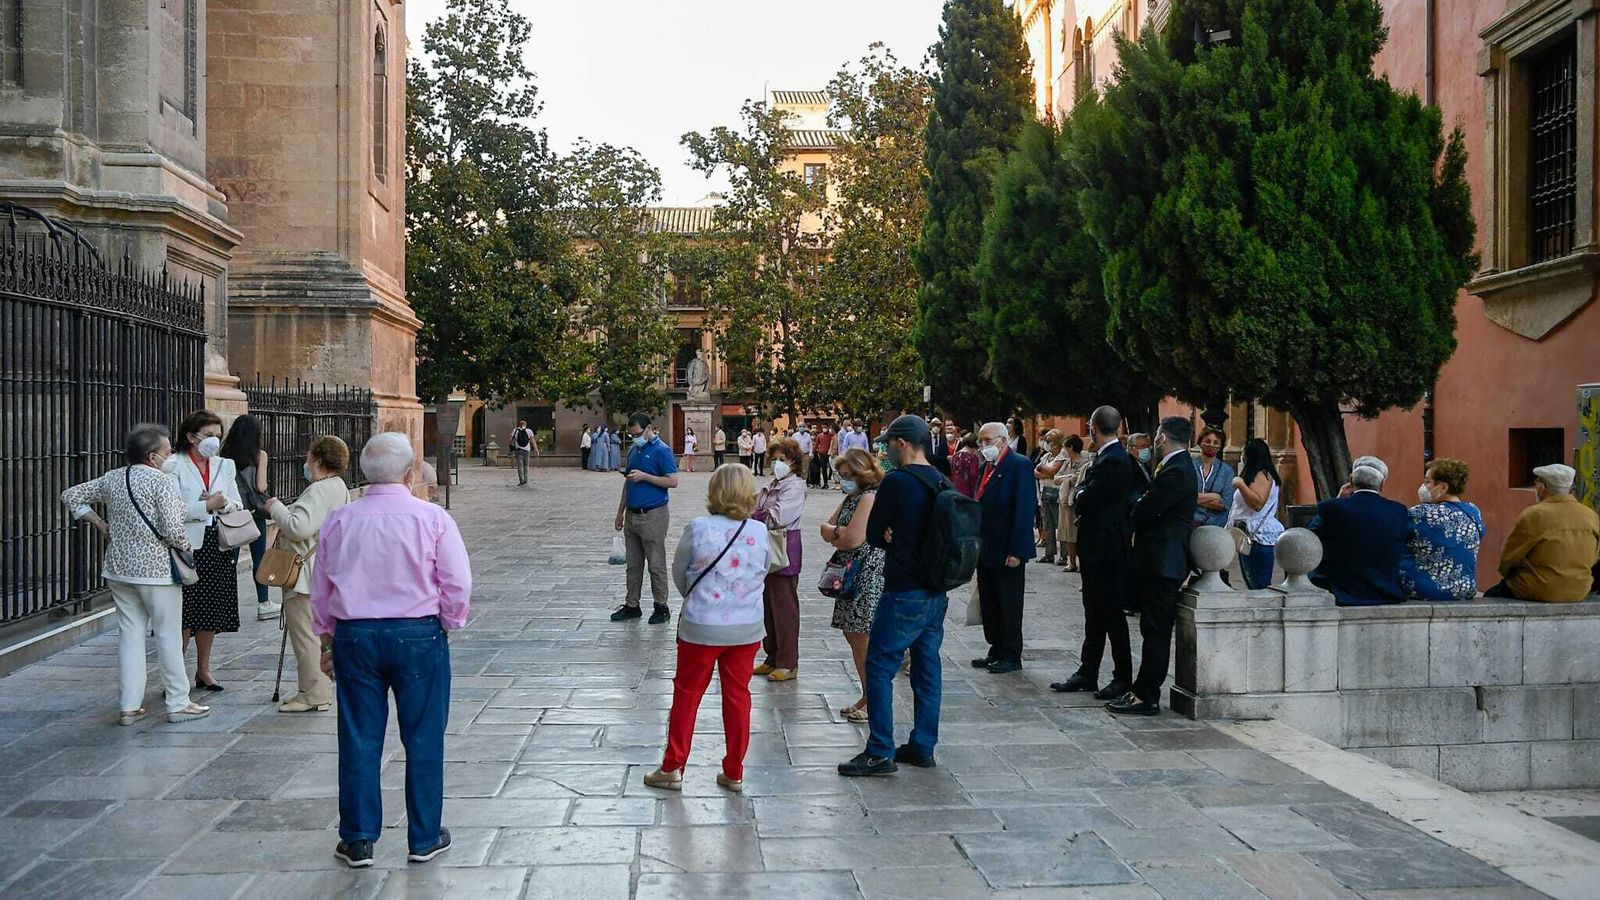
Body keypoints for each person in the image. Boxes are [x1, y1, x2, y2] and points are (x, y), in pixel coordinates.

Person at [313, 433, 470, 869]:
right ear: (409, 472)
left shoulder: (340, 521)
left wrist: (327, 640)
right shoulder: (432, 518)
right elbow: (457, 581)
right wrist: (449, 622)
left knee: (359, 736)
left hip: (356, 634)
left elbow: (321, 588)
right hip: (417, 632)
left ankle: (358, 837)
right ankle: (424, 836)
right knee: (424, 735)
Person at [61, 424, 211, 725]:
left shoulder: (113, 477)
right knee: (168, 635)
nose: (171, 456)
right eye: (167, 451)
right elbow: (172, 528)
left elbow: (71, 495)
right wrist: (186, 546)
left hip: (119, 569)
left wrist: (100, 524)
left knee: (129, 635)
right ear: (153, 457)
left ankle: (129, 706)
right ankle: (178, 702)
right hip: (157, 571)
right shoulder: (162, 481)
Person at [644, 463, 769, 793]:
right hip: (745, 628)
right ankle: (734, 771)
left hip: (701, 626)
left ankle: (673, 766)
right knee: (738, 697)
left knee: (687, 695)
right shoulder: (759, 531)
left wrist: (699, 597)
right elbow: (764, 570)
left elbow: (679, 571)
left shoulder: (698, 528)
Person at [839, 415, 948, 777]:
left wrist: (890, 532)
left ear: (902, 444)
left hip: (903, 589)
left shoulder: (898, 482)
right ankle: (923, 745)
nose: (885, 451)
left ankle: (879, 750)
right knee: (927, 668)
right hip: (936, 591)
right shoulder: (941, 480)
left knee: (879, 665)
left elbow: (873, 534)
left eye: (888, 444)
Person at [1108, 417, 1199, 716]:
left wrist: (1138, 502)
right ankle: (1141, 689)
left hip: (1163, 562)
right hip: (1158, 560)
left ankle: (1146, 695)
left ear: (1162, 438)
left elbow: (1146, 508)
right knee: (1151, 629)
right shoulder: (1175, 466)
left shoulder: (1177, 470)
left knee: (1156, 631)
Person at [261, 436, 352, 712]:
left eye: (310, 456)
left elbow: (298, 527)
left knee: (305, 637)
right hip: (321, 569)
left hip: (304, 575)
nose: (306, 462)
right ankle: (312, 689)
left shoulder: (319, 490)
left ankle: (314, 693)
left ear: (318, 460)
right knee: (314, 635)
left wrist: (275, 507)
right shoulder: (338, 487)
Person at [1052, 406, 1135, 700]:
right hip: (1096, 546)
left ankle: (1122, 676)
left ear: (1093, 428)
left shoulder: (1114, 460)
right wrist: (1083, 492)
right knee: (1094, 611)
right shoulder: (1105, 457)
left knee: (1111, 613)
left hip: (1106, 548)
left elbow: (1088, 497)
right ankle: (1088, 670)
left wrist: (1081, 493)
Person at [165, 409, 243, 692]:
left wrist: (223, 503)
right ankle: (176, 674)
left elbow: (237, 503)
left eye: (218, 436)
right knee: (184, 611)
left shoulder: (225, 465)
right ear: (191, 436)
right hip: (185, 544)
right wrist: (204, 507)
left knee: (210, 610)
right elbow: (170, 510)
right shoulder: (173, 465)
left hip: (216, 543)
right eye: (208, 435)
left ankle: (204, 669)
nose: (214, 441)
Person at [821, 449, 886, 723]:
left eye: (848, 475)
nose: (844, 480)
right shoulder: (853, 497)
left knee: (863, 636)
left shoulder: (869, 497)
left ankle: (875, 699)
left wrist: (837, 533)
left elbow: (852, 539)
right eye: (841, 475)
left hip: (866, 572)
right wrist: (839, 532)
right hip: (850, 572)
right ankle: (867, 693)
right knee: (853, 635)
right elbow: (825, 527)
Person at [971, 421, 1038, 674]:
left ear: (1003, 439)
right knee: (989, 601)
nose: (983, 445)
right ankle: (996, 647)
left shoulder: (1019, 465)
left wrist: (1017, 550)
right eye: (980, 441)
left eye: (987, 440)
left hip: (1007, 546)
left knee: (1008, 602)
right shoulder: (986, 466)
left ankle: (1011, 653)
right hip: (986, 546)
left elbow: (1024, 509)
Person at [1487, 463, 1600, 602]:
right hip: (1578, 590)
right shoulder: (1590, 515)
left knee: (1491, 595)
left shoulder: (1534, 515)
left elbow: (1508, 559)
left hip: (1538, 588)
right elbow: (1593, 557)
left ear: (1542, 488)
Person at [1308, 456, 1411, 606]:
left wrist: (1339, 499)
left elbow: (1309, 535)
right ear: (1381, 484)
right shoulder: (1399, 511)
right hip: (1387, 591)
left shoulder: (1331, 507)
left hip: (1340, 591)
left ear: (1351, 480)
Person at [612, 413, 681, 624]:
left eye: (638, 434)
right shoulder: (634, 450)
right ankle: (632, 604)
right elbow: (628, 482)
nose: (635, 438)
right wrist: (620, 511)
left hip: (653, 514)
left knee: (655, 563)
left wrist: (645, 477)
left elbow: (673, 481)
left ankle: (661, 605)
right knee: (633, 565)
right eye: (632, 435)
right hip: (633, 514)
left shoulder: (662, 450)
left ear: (649, 428)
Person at [752, 437, 807, 681]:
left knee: (784, 607)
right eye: (773, 459)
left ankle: (787, 661)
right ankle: (772, 656)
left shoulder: (794, 487)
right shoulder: (771, 484)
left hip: (784, 549)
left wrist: (755, 515)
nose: (777, 463)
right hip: (766, 548)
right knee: (768, 606)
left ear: (793, 462)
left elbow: (779, 516)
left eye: (782, 459)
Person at [220, 413, 279, 621]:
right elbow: (261, 486)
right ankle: (264, 603)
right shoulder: (259, 455)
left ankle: (225, 603)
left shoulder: (224, 455)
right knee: (259, 557)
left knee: (230, 559)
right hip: (254, 513)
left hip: (233, 511)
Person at [1399, 458, 1483, 603]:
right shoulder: (1473, 511)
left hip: (1422, 589)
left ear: (1443, 487)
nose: (1423, 487)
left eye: (1427, 482)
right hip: (1463, 589)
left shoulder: (1420, 513)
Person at [1229, 438, 1286, 590]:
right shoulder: (1261, 475)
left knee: (1258, 585)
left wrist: (1240, 485)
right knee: (1254, 583)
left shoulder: (1261, 475)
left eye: (1244, 452)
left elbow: (1258, 504)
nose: (1242, 455)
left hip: (1257, 537)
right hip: (1250, 535)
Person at [1055, 434, 1093, 572]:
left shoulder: (1084, 462)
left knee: (1077, 534)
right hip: (1064, 501)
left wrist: (1067, 479)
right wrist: (1067, 478)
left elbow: (1078, 479)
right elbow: (1056, 478)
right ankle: (1071, 562)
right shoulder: (1066, 462)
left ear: (1071, 447)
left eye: (1065, 447)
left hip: (1074, 502)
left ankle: (1081, 562)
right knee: (1067, 535)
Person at [1034, 430, 1066, 565]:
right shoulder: (1046, 456)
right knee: (1047, 524)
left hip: (1058, 493)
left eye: (1049, 441)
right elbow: (1035, 472)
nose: (1046, 443)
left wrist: (1045, 471)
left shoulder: (1063, 455)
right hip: (1045, 491)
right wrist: (1047, 473)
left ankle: (1064, 555)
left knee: (1061, 525)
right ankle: (1049, 553)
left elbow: (1054, 471)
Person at [1193, 426, 1235, 529]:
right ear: (1200, 442)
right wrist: (1215, 496)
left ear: (1220, 446)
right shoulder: (1190, 466)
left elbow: (1226, 503)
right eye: (1207, 441)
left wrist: (1194, 499)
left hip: (1215, 527)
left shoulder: (1227, 471)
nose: (1211, 445)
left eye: (1216, 443)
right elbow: (1183, 496)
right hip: (1190, 523)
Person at [950, 434, 981, 499]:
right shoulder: (972, 457)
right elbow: (973, 474)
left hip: (954, 487)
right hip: (967, 489)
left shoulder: (954, 456)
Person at [509, 420, 538, 486]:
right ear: (526, 425)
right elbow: (533, 441)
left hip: (518, 450)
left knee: (520, 466)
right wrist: (536, 450)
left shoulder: (515, 430)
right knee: (526, 465)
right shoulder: (529, 431)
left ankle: (521, 481)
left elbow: (510, 439)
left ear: (519, 425)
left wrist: (510, 446)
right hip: (527, 450)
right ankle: (526, 480)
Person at [813, 425, 834, 489]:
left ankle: (833, 480)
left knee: (832, 467)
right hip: (822, 453)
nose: (824, 429)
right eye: (823, 428)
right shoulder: (819, 436)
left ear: (828, 428)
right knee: (823, 468)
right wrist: (813, 452)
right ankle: (825, 483)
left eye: (825, 427)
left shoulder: (831, 435)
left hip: (829, 453)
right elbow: (816, 444)